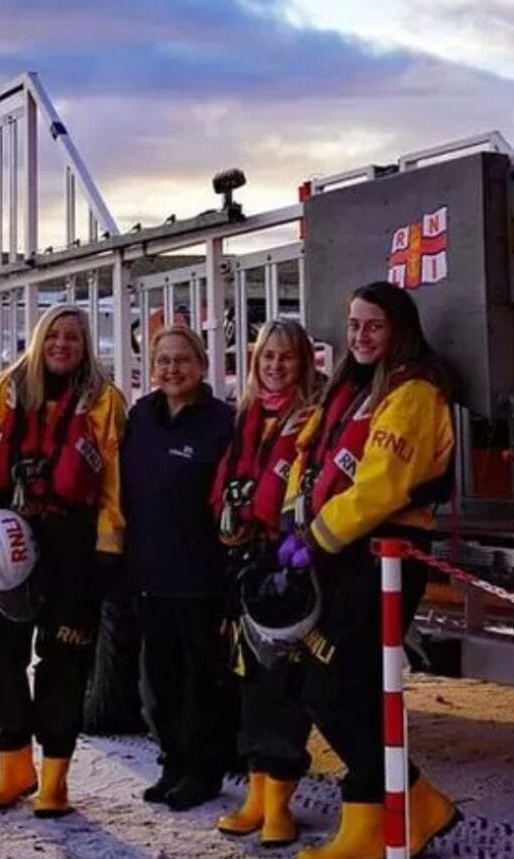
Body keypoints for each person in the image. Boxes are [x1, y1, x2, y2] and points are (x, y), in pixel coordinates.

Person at [279, 281, 459, 859]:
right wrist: (292, 525)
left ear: (399, 330)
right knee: (345, 690)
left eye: (374, 326)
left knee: (336, 691)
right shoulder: (349, 389)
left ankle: (414, 802)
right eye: (353, 325)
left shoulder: (413, 394)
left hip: (382, 556)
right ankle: (372, 823)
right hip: (340, 555)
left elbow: (383, 487)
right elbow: (305, 455)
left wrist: (315, 537)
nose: (360, 336)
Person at [0, 303, 126, 817]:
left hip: (71, 544)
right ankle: (14, 767)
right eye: (54, 335)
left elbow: (113, 485)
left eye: (74, 338)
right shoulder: (2, 392)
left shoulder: (104, 402)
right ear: (40, 339)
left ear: (86, 347)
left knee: (65, 660)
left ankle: (56, 779)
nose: (63, 345)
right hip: (3, 538)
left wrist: (108, 550)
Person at [210, 319, 318, 847]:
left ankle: (280, 801)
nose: (275, 367)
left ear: (305, 363)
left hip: (289, 568)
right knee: (249, 681)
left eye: (286, 357)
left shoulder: (313, 421)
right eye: (267, 357)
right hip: (246, 566)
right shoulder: (245, 419)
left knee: (284, 686)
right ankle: (256, 794)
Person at [121, 325, 235, 811]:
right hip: (148, 574)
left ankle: (203, 771)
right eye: (163, 360)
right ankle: (171, 763)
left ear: (202, 365)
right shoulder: (140, 417)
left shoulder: (221, 422)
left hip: (199, 577)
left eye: (182, 360)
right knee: (158, 683)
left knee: (200, 683)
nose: (172, 369)